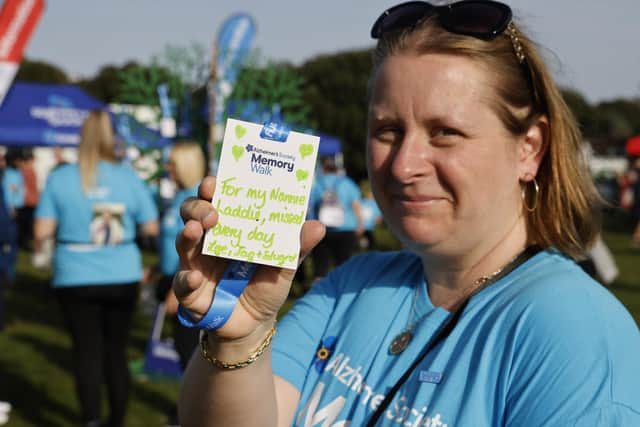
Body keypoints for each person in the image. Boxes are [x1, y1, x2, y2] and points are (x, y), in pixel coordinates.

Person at [173, 2, 640, 426]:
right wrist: (238, 336)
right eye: (388, 129)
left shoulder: (573, 334)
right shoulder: (352, 284)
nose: (403, 164)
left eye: (445, 132)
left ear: (529, 148)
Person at [34, 110, 159, 427]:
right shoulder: (128, 178)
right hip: (121, 272)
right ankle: (117, 419)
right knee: (115, 351)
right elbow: (151, 226)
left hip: (75, 275)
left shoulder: (61, 178)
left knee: (86, 351)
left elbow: (41, 232)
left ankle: (91, 419)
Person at [154, 142, 204, 426]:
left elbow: (197, 250)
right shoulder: (179, 196)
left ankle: (190, 413)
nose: (167, 168)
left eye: (172, 163)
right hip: (169, 276)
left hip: (185, 284)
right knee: (184, 351)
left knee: (190, 353)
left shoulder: (198, 199)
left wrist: (178, 290)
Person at [310, 156, 364, 280]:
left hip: (322, 230)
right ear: (337, 170)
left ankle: (317, 292)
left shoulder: (317, 184)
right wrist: (360, 223)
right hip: (346, 228)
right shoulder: (347, 183)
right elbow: (356, 205)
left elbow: (310, 206)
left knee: (320, 266)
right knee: (343, 264)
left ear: (323, 170)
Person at [359, 180, 383, 250]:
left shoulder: (375, 203)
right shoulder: (362, 202)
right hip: (361, 227)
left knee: (369, 245)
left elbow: (378, 218)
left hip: (369, 228)